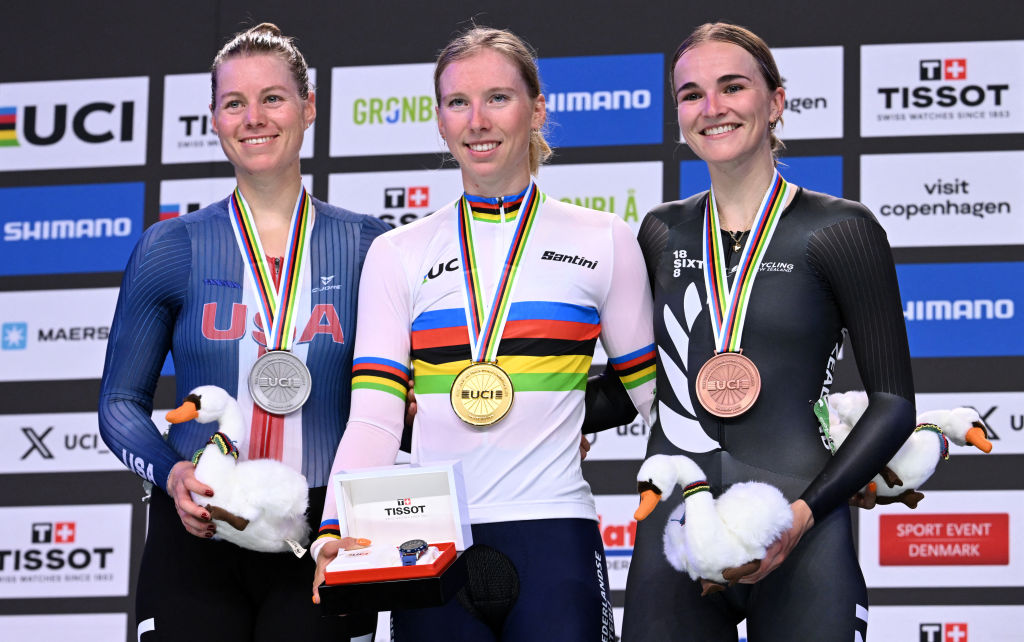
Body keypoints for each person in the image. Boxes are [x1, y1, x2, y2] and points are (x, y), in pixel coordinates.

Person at [310, 26, 656, 641]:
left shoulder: (602, 238)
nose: (478, 120)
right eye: (457, 103)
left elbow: (641, 390)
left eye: (498, 97)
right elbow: (375, 415)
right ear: (440, 121)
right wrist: (335, 525)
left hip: (553, 530)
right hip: (428, 535)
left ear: (537, 109)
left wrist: (558, 414)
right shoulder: (397, 252)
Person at [589, 22, 916, 641]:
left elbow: (894, 404)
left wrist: (801, 515)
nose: (711, 108)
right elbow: (634, 386)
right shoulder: (660, 233)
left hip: (803, 524)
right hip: (676, 533)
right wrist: (522, 411)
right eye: (691, 94)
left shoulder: (840, 230)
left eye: (732, 87)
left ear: (775, 102)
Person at [98, 23, 388, 642]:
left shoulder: (371, 246)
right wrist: (171, 476)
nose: (253, 118)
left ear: (309, 108)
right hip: (197, 522)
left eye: (273, 98)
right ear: (214, 119)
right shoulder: (171, 248)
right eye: (235, 103)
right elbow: (119, 403)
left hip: (325, 529)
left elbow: (406, 396)